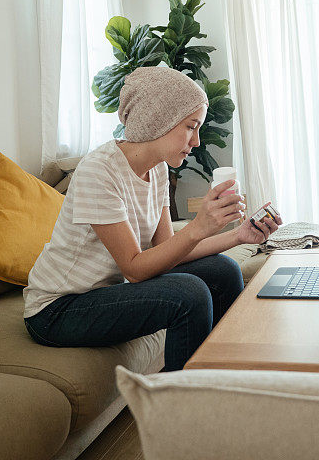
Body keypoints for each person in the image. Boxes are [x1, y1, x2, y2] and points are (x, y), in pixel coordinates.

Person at [23, 66, 282, 371]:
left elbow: (167, 251)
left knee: (223, 270)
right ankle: (182, 411)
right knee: (190, 294)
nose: (196, 141)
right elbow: (134, 268)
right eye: (191, 126)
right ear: (160, 121)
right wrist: (198, 227)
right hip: (58, 310)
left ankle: (226, 378)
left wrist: (238, 236)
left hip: (105, 292)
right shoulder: (99, 171)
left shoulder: (158, 169)